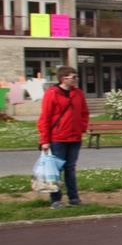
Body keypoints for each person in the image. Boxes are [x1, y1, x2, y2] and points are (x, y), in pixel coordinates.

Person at [37, 65, 90, 209]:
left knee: (70, 168)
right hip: (58, 138)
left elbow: (84, 112)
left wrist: (81, 127)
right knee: (56, 170)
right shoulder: (52, 93)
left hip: (74, 137)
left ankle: (74, 198)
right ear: (63, 79)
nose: (76, 80)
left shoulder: (78, 93)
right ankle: (56, 200)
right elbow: (45, 118)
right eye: (73, 77)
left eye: (76, 77)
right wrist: (45, 140)